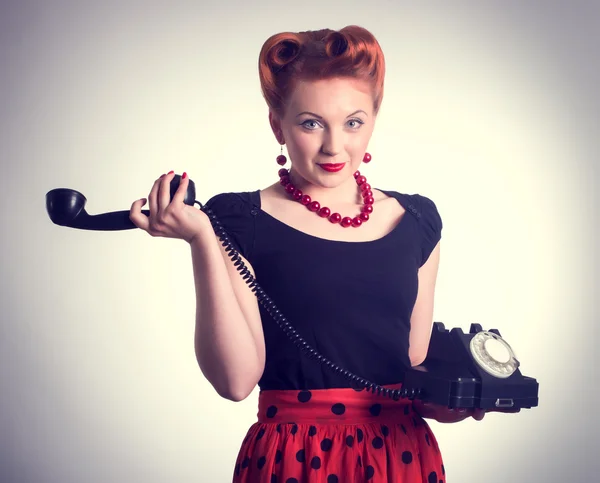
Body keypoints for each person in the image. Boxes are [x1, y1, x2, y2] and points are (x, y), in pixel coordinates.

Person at [129, 25, 486, 483]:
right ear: (278, 124)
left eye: (353, 122)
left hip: (400, 456)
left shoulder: (417, 219)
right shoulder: (238, 219)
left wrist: (454, 400)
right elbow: (236, 382)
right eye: (311, 122)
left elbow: (411, 367)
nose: (334, 146)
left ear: (374, 119)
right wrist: (202, 240)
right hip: (294, 458)